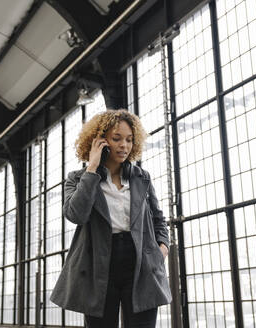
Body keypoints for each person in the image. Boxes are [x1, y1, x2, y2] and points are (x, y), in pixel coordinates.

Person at [50, 109, 172, 328]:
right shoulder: (78, 179)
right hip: (99, 263)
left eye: (129, 139)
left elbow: (157, 217)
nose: (124, 145)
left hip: (140, 261)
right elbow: (75, 215)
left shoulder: (141, 177)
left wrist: (162, 247)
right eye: (116, 139)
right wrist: (92, 169)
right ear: (98, 140)